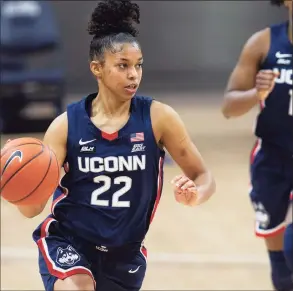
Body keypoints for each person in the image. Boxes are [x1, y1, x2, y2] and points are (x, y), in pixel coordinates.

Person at [10, 1, 216, 290]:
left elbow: (204, 176)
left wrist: (196, 195)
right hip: (69, 242)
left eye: (138, 65)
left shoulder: (159, 118)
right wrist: (15, 185)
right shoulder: (66, 125)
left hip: (125, 252)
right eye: (123, 65)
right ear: (97, 68)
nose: (134, 74)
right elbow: (33, 209)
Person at [222, 0, 293, 290]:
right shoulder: (263, 43)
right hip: (273, 159)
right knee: (281, 268)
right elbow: (229, 106)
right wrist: (257, 93)